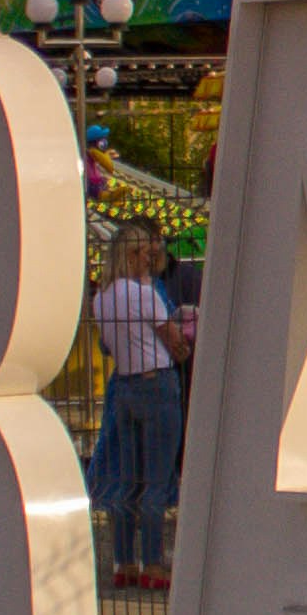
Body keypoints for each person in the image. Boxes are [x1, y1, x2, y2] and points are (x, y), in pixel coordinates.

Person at [86, 225, 190, 588]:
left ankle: (123, 562)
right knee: (157, 479)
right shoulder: (144, 294)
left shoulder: (102, 297)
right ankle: (153, 563)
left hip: (125, 384)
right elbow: (173, 340)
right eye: (146, 252)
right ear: (132, 255)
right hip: (156, 382)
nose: (151, 258)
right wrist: (184, 344)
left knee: (128, 478)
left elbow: (109, 348)